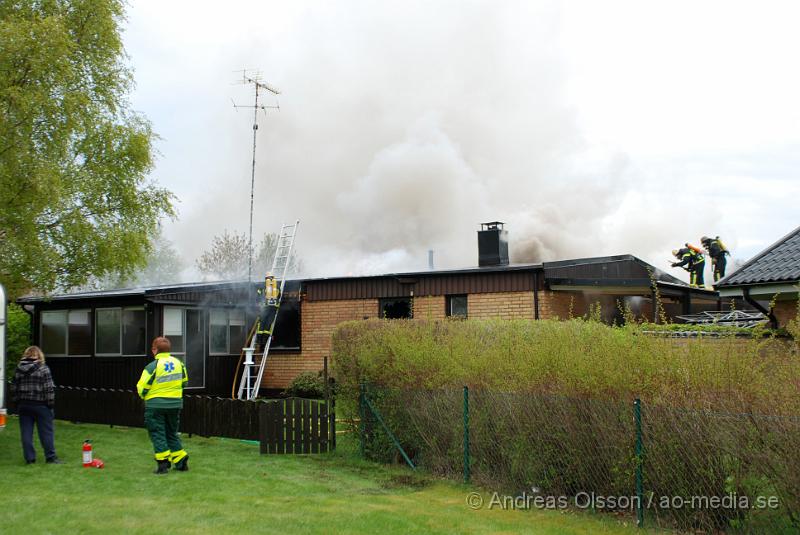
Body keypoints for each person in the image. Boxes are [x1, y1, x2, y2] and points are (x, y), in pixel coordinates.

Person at [136, 336, 189, 474]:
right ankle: (181, 461)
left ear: (155, 350)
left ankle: (163, 464)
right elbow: (185, 382)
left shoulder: (152, 366)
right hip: (175, 405)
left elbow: (142, 387)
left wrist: (146, 397)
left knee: (158, 433)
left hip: (155, 406)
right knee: (171, 433)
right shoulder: (179, 364)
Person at [11, 346, 63, 464]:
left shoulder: (18, 369)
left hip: (24, 405)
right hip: (41, 405)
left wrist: (16, 404)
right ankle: (50, 457)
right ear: (39, 355)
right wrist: (50, 405)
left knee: (26, 433)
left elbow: (14, 388)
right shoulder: (43, 369)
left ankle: (30, 459)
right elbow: (49, 389)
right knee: (46, 432)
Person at [256, 272, 281, 345]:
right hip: (274, 307)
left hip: (265, 306)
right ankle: (265, 339)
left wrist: (259, 303)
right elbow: (279, 295)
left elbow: (258, 295)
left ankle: (259, 339)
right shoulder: (277, 285)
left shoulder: (263, 285)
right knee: (269, 322)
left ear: (266, 278)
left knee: (262, 322)